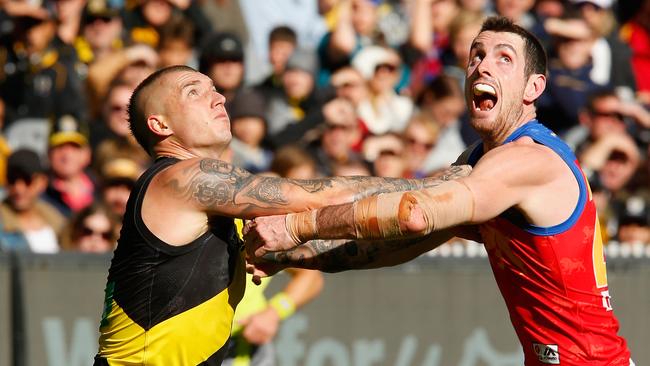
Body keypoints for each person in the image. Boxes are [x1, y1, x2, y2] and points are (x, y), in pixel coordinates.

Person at [245, 17, 635, 365]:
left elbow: (414, 213)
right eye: (476, 54)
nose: (482, 64)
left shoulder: (529, 161)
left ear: (534, 87)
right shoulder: (480, 160)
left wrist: (300, 227)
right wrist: (293, 252)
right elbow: (396, 219)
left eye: (504, 58)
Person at [93, 64, 470, 365]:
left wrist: (460, 215)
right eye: (194, 91)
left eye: (214, 88)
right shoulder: (181, 178)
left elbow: (343, 254)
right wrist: (458, 189)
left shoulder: (216, 211)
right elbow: (325, 195)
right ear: (161, 125)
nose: (218, 98)